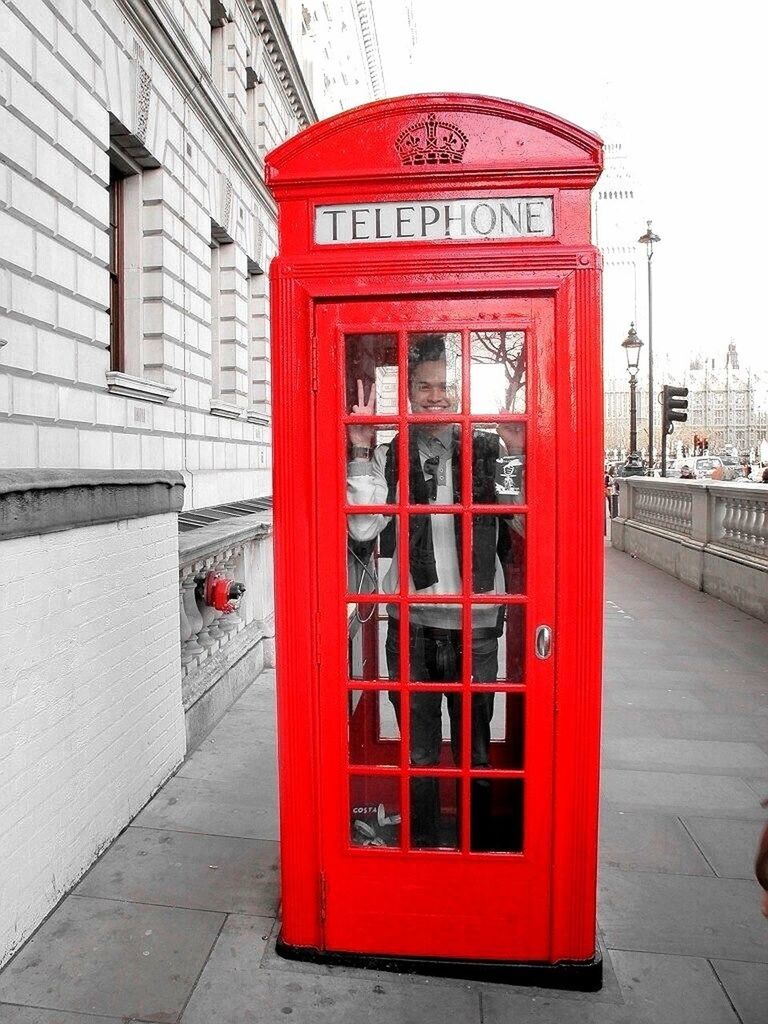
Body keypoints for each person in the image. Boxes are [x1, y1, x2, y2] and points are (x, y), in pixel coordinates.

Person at [347, 335, 523, 849]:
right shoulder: (394, 453)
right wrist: (360, 448)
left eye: (444, 386)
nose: (435, 397)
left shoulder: (488, 449)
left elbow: (523, 522)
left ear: (459, 390)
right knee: (418, 756)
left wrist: (516, 454)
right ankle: (422, 849)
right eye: (424, 386)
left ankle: (479, 849)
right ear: (407, 393)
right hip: (414, 625)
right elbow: (362, 529)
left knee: (475, 754)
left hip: (478, 629)